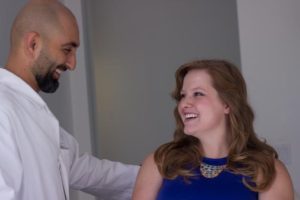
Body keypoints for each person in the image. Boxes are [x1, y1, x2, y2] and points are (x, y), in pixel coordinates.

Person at [0, 0, 139, 199]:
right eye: (67, 50)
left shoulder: (33, 112)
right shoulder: (3, 109)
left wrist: (160, 174)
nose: (72, 64)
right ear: (33, 44)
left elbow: (88, 172)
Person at [132, 60, 294, 200]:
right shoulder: (160, 161)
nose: (184, 104)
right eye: (183, 95)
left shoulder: (267, 169)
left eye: (198, 93)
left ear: (227, 104)